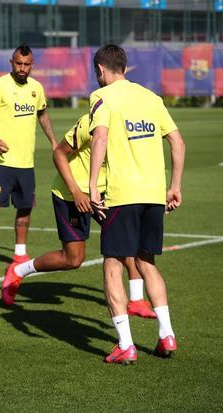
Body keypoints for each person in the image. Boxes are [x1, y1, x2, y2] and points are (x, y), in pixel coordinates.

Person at [0, 114, 157, 319]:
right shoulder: (90, 122)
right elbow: (59, 154)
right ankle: (18, 271)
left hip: (107, 194)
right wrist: (76, 192)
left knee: (129, 241)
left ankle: (136, 300)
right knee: (73, 259)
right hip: (71, 194)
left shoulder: (131, 125)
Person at [88, 45, 185, 364]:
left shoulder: (101, 98)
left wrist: (91, 186)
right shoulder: (151, 98)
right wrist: (174, 186)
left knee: (113, 263)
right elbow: (177, 142)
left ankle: (126, 344)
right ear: (124, 68)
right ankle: (167, 335)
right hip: (154, 194)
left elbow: (99, 138)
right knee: (146, 262)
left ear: (101, 70)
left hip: (122, 194)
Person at [0, 44, 57, 273]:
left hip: (26, 161)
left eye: (26, 64)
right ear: (11, 62)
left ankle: (20, 253)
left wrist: (53, 142)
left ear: (32, 65)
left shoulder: (36, 88)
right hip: (1, 161)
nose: (22, 68)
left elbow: (43, 114)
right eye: (18, 63)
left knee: (25, 207)